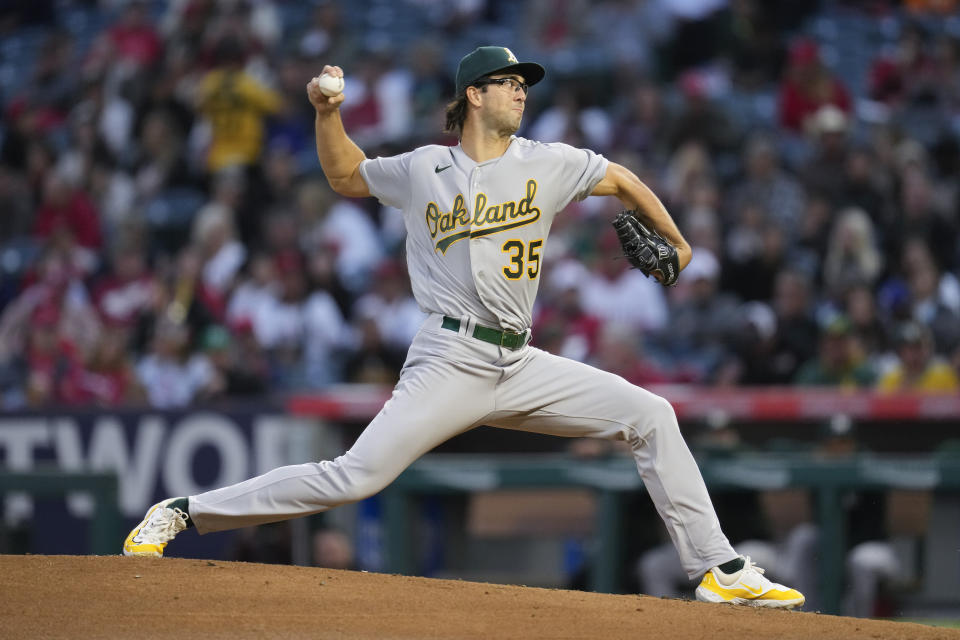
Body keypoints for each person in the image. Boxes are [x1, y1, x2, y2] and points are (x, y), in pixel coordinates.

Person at [123, 46, 804, 609]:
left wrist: (677, 242)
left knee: (651, 414)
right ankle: (185, 510)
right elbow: (344, 174)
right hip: (448, 358)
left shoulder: (548, 161)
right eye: (508, 83)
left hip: (521, 361)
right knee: (354, 476)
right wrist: (328, 112)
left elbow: (621, 178)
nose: (521, 93)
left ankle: (718, 568)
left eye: (522, 84)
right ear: (473, 95)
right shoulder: (425, 168)